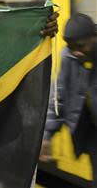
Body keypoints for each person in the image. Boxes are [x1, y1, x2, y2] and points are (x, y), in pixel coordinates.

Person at [40, 13, 96, 186]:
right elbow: (59, 97)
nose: (76, 52)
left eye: (81, 46)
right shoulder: (69, 57)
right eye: (71, 47)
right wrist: (47, 135)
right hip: (90, 134)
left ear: (94, 37)